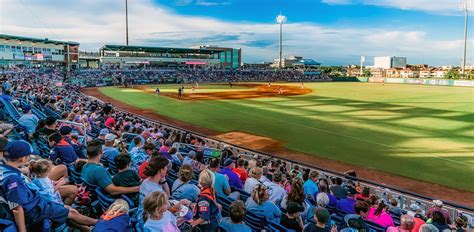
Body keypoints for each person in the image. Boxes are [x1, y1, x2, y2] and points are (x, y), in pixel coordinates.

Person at [0, 140, 97, 231]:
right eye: (28, 156)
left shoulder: (4, 169)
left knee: (69, 210)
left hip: (37, 203)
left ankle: (91, 226)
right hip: (36, 210)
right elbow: (16, 208)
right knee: (72, 212)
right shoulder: (13, 179)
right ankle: (100, 223)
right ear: (23, 158)